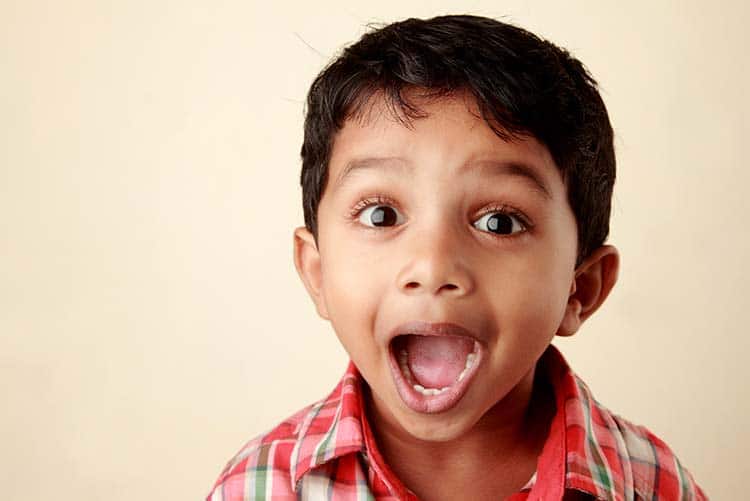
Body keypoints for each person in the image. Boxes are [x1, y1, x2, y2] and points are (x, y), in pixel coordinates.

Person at [207, 15, 706, 500]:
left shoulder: (651, 485)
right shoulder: (260, 486)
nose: (432, 266)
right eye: (382, 215)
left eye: (500, 223)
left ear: (581, 288)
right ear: (317, 272)